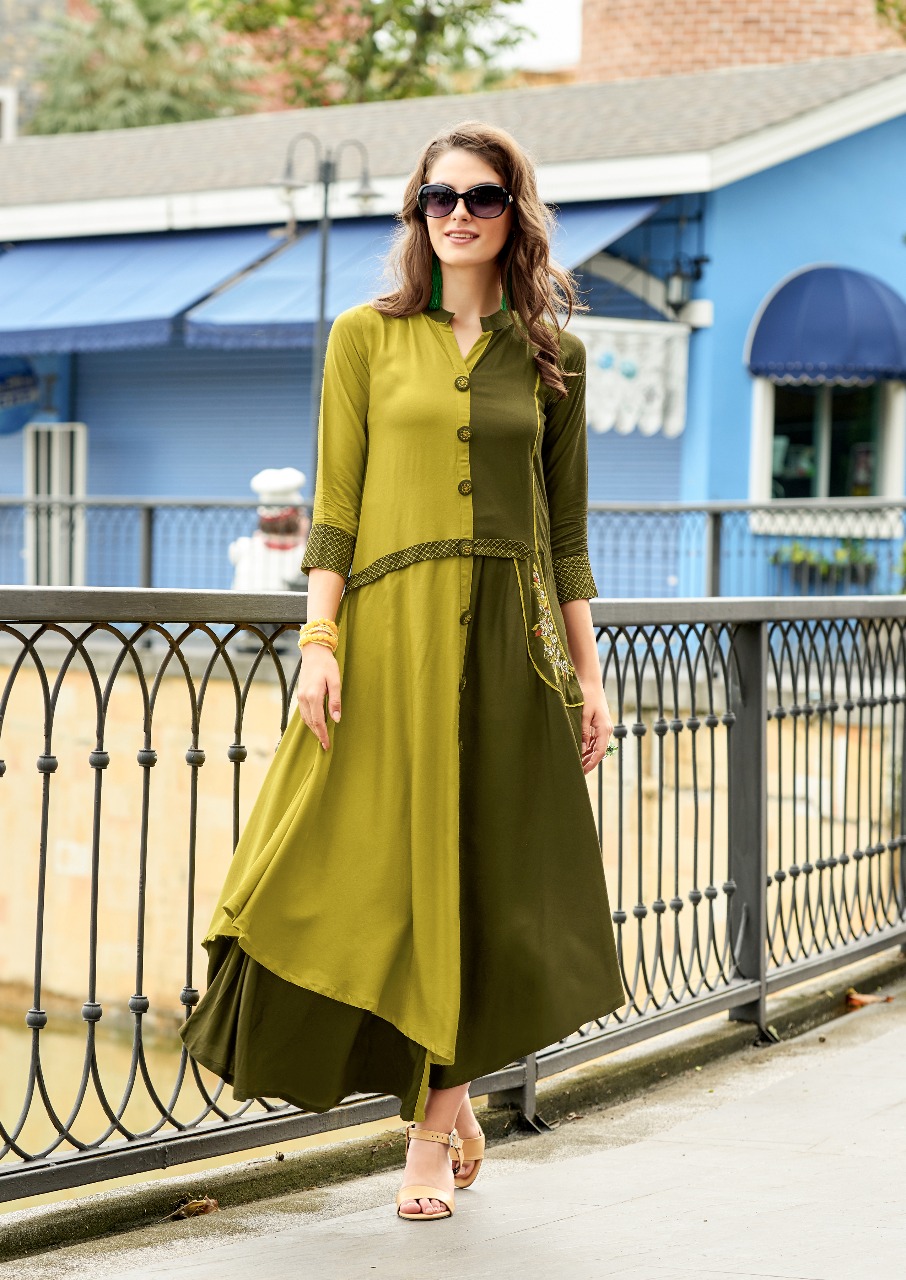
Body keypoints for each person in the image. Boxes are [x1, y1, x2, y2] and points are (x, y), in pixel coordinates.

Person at [179, 119, 628, 1224]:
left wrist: (590, 672)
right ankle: (441, 1102)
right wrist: (318, 643)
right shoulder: (363, 339)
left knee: (478, 884)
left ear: (515, 212)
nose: (459, 214)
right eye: (440, 198)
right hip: (390, 644)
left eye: (482, 197)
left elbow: (568, 536)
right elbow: (334, 511)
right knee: (342, 865)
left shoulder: (554, 356)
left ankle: (433, 1127)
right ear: (417, 214)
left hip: (511, 652)